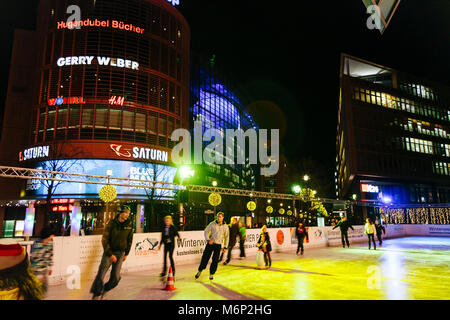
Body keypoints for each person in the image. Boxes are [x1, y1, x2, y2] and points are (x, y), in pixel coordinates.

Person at [90, 205, 134, 299]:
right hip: (109, 252)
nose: (127, 215)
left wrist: (126, 253)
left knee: (116, 278)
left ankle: (105, 289)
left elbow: (130, 240)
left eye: (128, 213)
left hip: (121, 253)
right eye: (125, 213)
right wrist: (110, 254)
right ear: (120, 213)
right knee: (101, 274)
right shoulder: (111, 223)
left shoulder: (129, 225)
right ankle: (96, 294)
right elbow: (104, 240)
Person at [195, 212, 229, 281]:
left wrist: (225, 246)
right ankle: (200, 270)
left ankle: (211, 273)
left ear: (223, 217)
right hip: (211, 243)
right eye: (217, 216)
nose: (218, 218)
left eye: (220, 217)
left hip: (218, 245)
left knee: (215, 260)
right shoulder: (212, 224)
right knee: (205, 257)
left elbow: (227, 237)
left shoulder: (225, 226)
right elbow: (206, 231)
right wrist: (208, 239)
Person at [30, 226, 55, 295]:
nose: (53, 236)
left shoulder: (50, 243)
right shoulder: (37, 245)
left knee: (44, 290)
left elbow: (50, 256)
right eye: (51, 235)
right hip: (36, 270)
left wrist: (50, 268)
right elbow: (34, 260)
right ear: (47, 235)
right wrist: (39, 276)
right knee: (36, 291)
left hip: (44, 269)